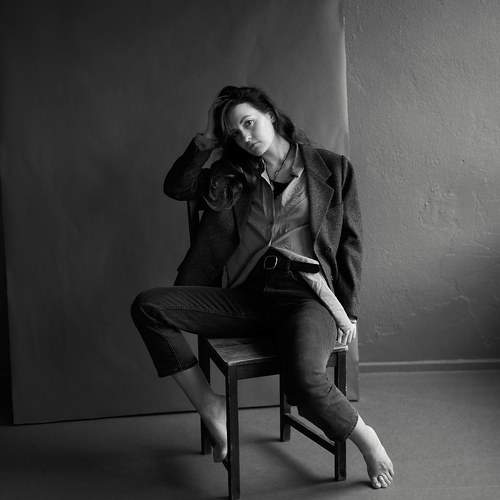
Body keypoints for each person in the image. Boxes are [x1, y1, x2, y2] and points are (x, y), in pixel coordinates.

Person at [131, 86, 394, 489]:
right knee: (148, 306)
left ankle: (365, 437)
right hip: (246, 297)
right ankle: (211, 404)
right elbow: (177, 187)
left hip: (307, 298)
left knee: (305, 382)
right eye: (234, 132)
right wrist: (206, 142)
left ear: (270, 114)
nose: (245, 136)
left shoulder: (332, 168)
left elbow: (350, 244)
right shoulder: (231, 177)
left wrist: (349, 311)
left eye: (249, 122)